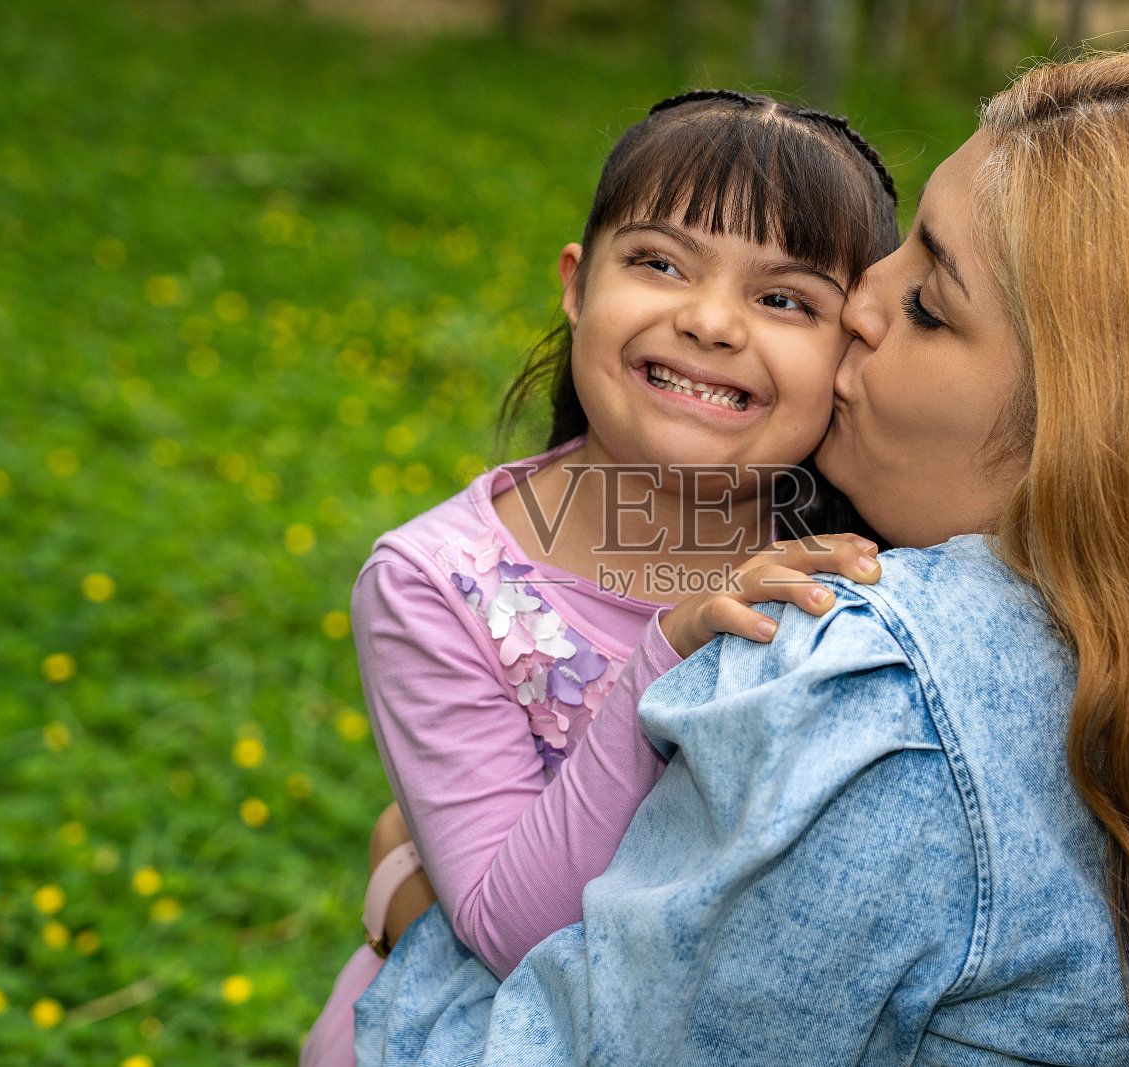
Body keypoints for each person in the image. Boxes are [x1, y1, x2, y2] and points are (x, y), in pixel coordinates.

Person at [351, 48, 1129, 1067]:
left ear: (1088, 427)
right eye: (899, 251)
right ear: (576, 278)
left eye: (925, 302)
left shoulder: (864, 682)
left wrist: (409, 903)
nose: (858, 308)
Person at [300, 90, 898, 1066]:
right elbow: (513, 931)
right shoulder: (437, 582)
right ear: (577, 285)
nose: (709, 320)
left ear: (854, 349)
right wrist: (670, 649)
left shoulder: (867, 553)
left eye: (783, 298)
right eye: (659, 262)